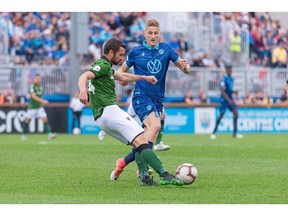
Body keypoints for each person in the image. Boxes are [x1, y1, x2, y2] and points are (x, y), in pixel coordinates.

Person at [78, 37, 183, 186]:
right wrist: (83, 90)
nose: (122, 58)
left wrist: (144, 77)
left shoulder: (106, 67)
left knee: (138, 143)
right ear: (111, 52)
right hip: (109, 111)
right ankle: (164, 174)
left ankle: (144, 176)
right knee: (143, 139)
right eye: (120, 55)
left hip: (101, 119)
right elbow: (84, 75)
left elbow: (121, 76)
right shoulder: (101, 65)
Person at [109, 19, 190, 181]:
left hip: (158, 99)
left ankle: (123, 163)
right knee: (156, 125)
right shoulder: (135, 52)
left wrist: (185, 67)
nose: (153, 36)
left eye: (156, 33)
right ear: (144, 34)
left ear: (159, 34)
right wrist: (123, 80)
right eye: (150, 33)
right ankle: (143, 171)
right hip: (141, 97)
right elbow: (121, 74)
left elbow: (184, 68)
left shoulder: (167, 49)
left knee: (146, 136)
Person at [210, 65, 243, 139]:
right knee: (221, 116)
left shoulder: (232, 79)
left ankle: (235, 133)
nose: (230, 71)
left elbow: (229, 90)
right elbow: (223, 92)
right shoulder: (223, 79)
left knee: (236, 113)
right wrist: (229, 100)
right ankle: (213, 132)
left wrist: (234, 92)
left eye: (231, 70)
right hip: (224, 100)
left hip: (230, 99)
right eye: (229, 70)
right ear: (226, 71)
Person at [21, 74, 57, 140]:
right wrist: (43, 101)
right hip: (32, 107)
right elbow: (33, 96)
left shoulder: (40, 87)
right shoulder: (32, 86)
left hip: (39, 107)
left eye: (39, 78)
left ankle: (49, 134)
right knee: (27, 121)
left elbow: (40, 96)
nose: (39, 80)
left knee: (45, 119)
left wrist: (41, 103)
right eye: (37, 78)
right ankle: (23, 134)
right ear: (35, 79)